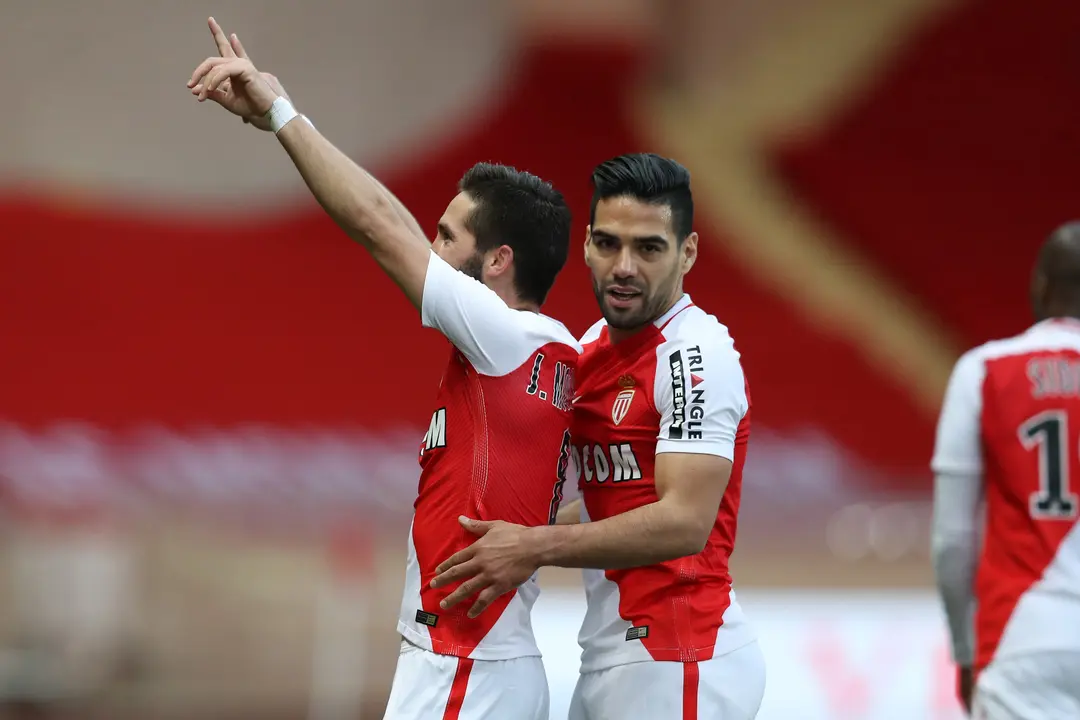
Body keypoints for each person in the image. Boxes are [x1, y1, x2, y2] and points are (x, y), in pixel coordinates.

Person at [186, 18, 580, 720]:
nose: (428, 244)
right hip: (481, 663)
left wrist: (280, 112)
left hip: (463, 669)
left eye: (448, 236)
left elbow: (378, 224)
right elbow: (396, 220)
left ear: (498, 262)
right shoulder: (549, 351)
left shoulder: (501, 336)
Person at [431, 153, 766, 719]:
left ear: (688, 253)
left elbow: (684, 520)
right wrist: (503, 535)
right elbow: (609, 502)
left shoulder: (696, 354)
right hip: (613, 657)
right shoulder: (590, 348)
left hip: (681, 658)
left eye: (649, 248)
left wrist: (532, 546)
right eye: (609, 244)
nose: (624, 266)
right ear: (585, 244)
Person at [931, 222, 1080, 718]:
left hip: (1021, 641)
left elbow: (952, 541)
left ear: (1040, 285)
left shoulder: (983, 370)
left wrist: (965, 652)